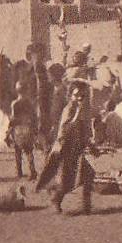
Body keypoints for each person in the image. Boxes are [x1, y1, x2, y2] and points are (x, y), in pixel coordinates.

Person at [36, 80, 96, 215]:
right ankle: (55, 200)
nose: (80, 98)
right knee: (65, 181)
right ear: (71, 96)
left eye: (83, 96)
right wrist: (77, 115)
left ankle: (86, 205)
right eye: (77, 95)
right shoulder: (69, 109)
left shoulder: (84, 110)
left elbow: (86, 131)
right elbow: (65, 128)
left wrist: (90, 144)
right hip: (66, 149)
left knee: (88, 175)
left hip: (78, 148)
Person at [7, 81, 39, 180]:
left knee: (17, 151)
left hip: (18, 129)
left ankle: (19, 171)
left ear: (17, 91)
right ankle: (32, 171)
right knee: (29, 151)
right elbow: (34, 117)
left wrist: (9, 129)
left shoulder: (14, 104)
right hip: (28, 128)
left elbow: (13, 118)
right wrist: (34, 128)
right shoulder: (30, 103)